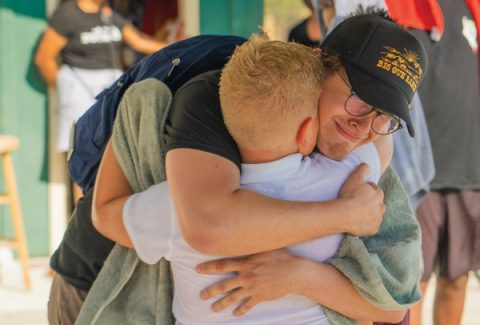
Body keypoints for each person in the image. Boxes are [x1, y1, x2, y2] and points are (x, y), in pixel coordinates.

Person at [48, 10, 425, 325]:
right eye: (359, 99)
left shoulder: (358, 151)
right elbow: (206, 228)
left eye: (385, 116)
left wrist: (300, 276)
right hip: (104, 287)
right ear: (316, 60)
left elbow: (393, 305)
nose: (364, 129)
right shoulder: (219, 96)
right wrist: (343, 215)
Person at [387, 1, 480, 325]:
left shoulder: (472, 8)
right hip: (413, 171)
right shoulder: (397, 5)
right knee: (413, 280)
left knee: (457, 276)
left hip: (468, 164)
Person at [34, 0, 168, 202]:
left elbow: (137, 41)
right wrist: (65, 85)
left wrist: (181, 46)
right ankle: (83, 214)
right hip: (78, 87)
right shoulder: (67, 14)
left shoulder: (109, 13)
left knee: (116, 147)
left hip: (109, 86)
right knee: (81, 152)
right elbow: (44, 58)